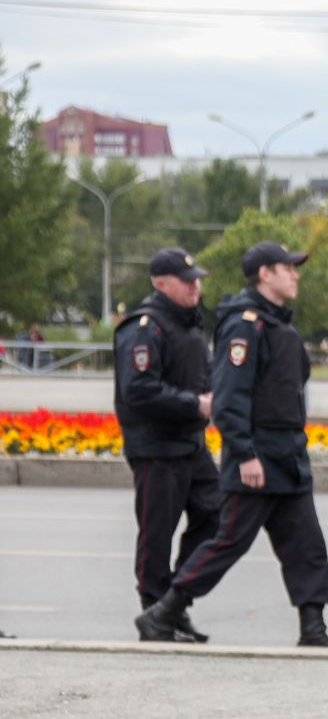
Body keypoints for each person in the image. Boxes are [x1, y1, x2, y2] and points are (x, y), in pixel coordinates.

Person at [136, 242, 328, 647]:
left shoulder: (278, 323)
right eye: (288, 268)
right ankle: (163, 613)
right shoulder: (245, 325)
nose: (296, 275)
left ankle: (313, 628)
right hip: (258, 456)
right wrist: (244, 453)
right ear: (265, 274)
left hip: (287, 455)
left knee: (306, 544)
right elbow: (229, 398)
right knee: (228, 542)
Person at [114, 248, 220, 643]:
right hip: (156, 446)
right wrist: (195, 404)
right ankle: (155, 611)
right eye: (187, 280)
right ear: (161, 284)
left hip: (191, 443)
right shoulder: (145, 327)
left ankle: (174, 601)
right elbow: (138, 390)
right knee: (157, 533)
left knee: (217, 516)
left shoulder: (189, 325)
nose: (197, 285)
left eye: (197, 278)